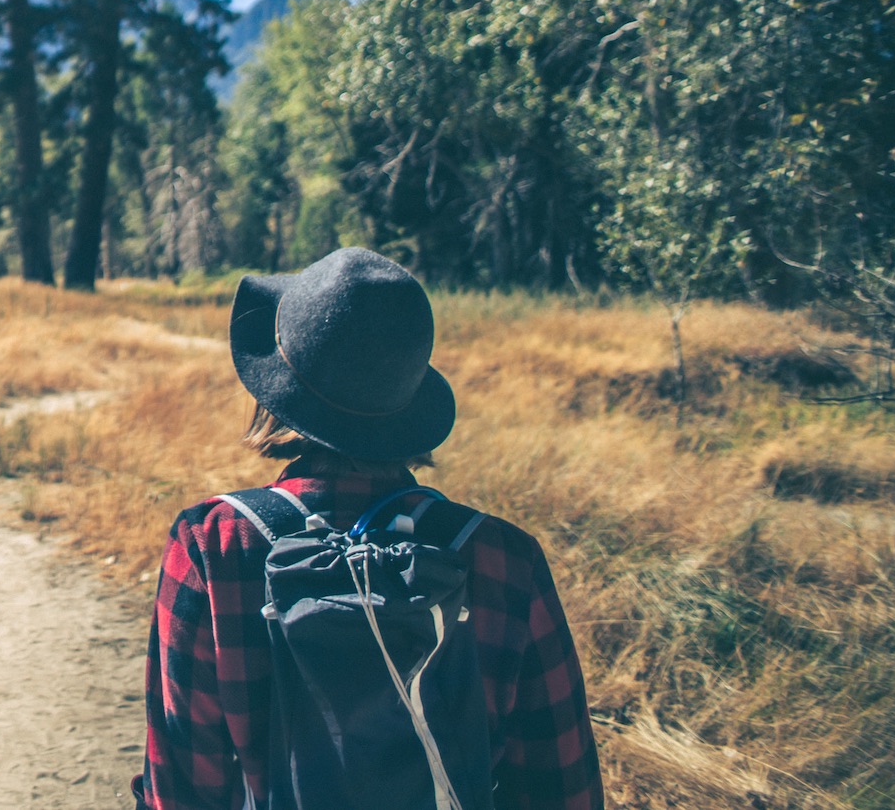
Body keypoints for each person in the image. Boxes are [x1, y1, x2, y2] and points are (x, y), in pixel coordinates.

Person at [135, 248, 603, 810]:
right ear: (408, 399)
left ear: (276, 395)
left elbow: (182, 788)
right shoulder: (504, 559)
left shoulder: (213, 545)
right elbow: (563, 788)